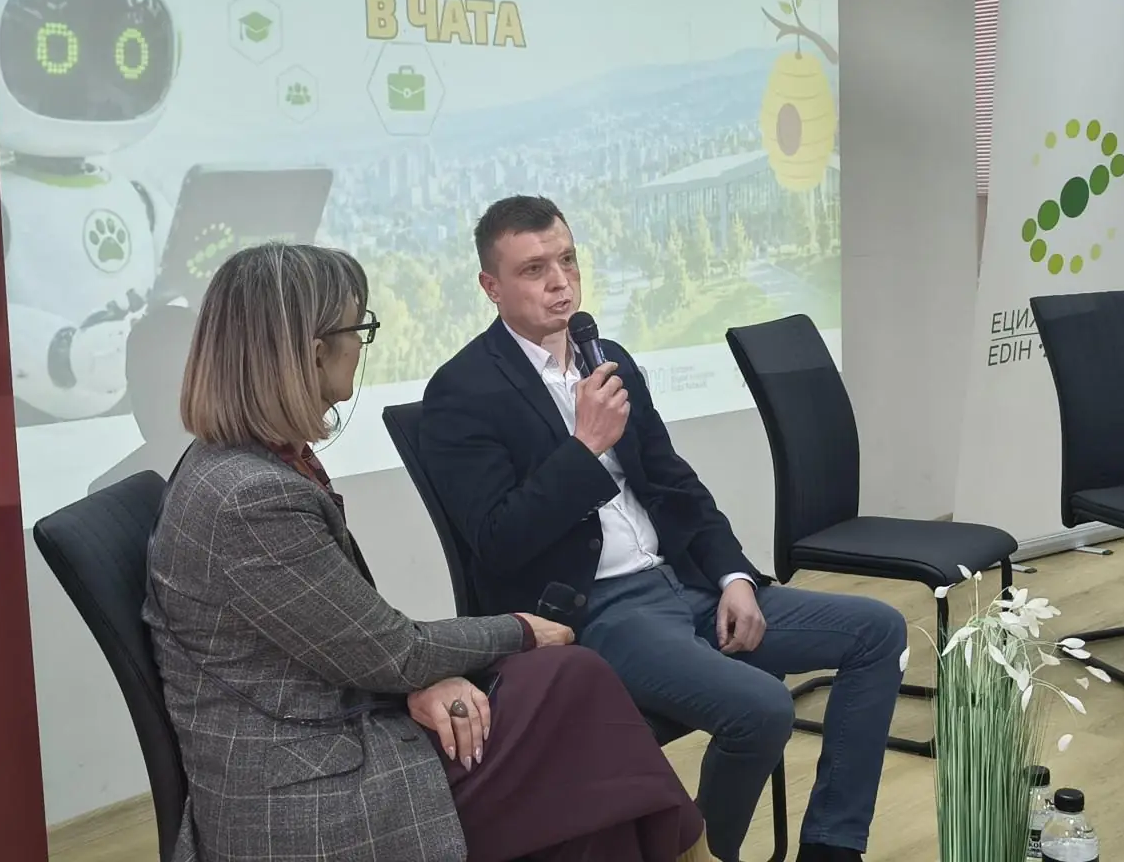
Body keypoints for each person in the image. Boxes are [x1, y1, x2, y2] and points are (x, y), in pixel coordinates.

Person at [143, 242, 712, 862]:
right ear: (313, 351)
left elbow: (352, 640)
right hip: (315, 796)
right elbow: (393, 650)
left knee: (578, 722)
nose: (362, 345)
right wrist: (520, 629)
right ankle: (687, 848)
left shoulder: (240, 465)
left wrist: (418, 681)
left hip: (336, 718)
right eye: (358, 329)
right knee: (574, 701)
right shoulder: (251, 499)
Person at [418, 197, 908, 862]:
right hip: (600, 610)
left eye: (567, 260)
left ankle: (831, 848)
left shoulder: (606, 357)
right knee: (763, 708)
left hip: (687, 582)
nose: (560, 281)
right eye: (534, 270)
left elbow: (675, 485)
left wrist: (734, 576)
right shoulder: (462, 392)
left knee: (878, 631)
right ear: (490, 286)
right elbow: (498, 542)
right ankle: (705, 853)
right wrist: (584, 449)